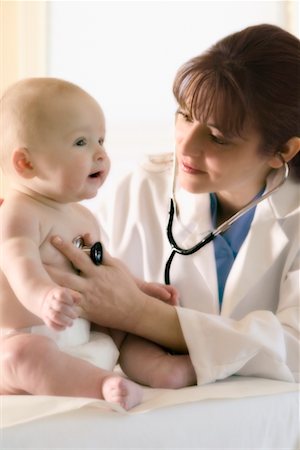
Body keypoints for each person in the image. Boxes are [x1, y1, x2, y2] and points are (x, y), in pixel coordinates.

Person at [49, 23, 300, 387]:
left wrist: (141, 315)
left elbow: (293, 346)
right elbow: (77, 291)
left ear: (282, 151)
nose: (186, 146)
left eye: (217, 137)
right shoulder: (142, 189)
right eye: (185, 115)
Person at [0, 77, 181, 409]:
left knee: (127, 326)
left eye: (101, 139)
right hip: (29, 338)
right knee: (20, 356)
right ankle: (102, 385)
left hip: (82, 336)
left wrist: (137, 287)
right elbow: (18, 265)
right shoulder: (18, 212)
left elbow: (99, 265)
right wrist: (43, 298)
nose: (100, 153)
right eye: (81, 142)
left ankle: (163, 370)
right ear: (26, 163)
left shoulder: (81, 216)